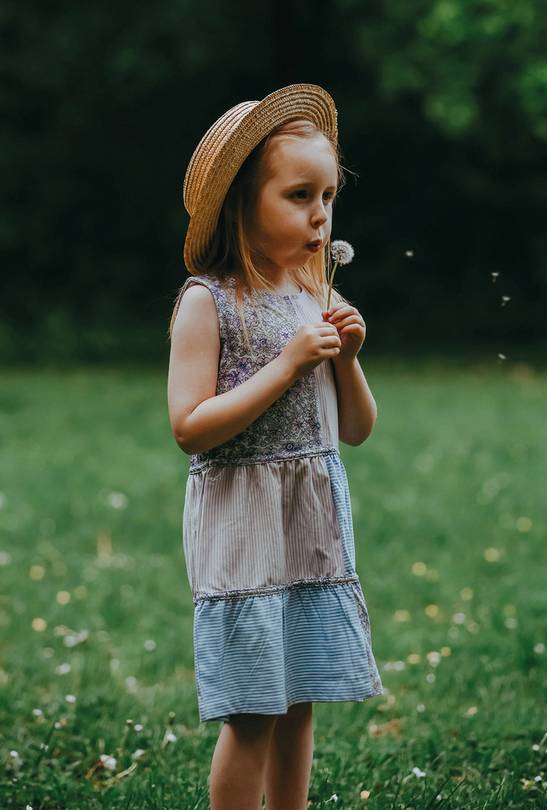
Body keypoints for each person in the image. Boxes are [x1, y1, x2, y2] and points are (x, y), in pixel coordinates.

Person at [167, 83, 384, 810]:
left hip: (310, 525)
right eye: (298, 196)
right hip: (245, 528)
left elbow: (353, 429)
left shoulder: (312, 290)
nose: (319, 215)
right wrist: (286, 363)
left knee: (301, 702)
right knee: (255, 709)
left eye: (327, 197)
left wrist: (345, 358)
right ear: (240, 203)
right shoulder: (210, 301)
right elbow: (190, 426)